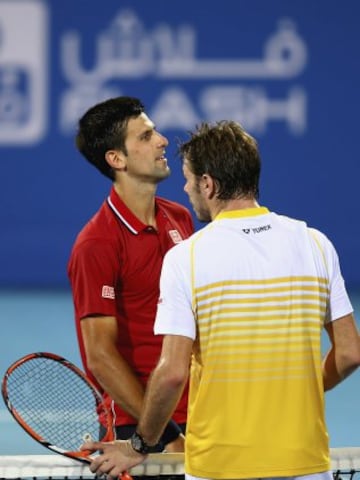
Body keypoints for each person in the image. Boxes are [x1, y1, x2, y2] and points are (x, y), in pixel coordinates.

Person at [82, 120, 360, 479]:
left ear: (208, 184)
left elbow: (171, 374)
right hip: (305, 463)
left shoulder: (188, 258)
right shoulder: (316, 244)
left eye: (188, 179)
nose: (185, 188)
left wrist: (140, 444)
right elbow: (351, 353)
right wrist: (298, 390)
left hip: (220, 467)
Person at [67, 96, 194, 452]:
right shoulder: (97, 243)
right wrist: (163, 434)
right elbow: (100, 356)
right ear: (116, 159)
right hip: (139, 426)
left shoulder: (179, 217)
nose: (162, 140)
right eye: (146, 136)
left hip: (198, 412)